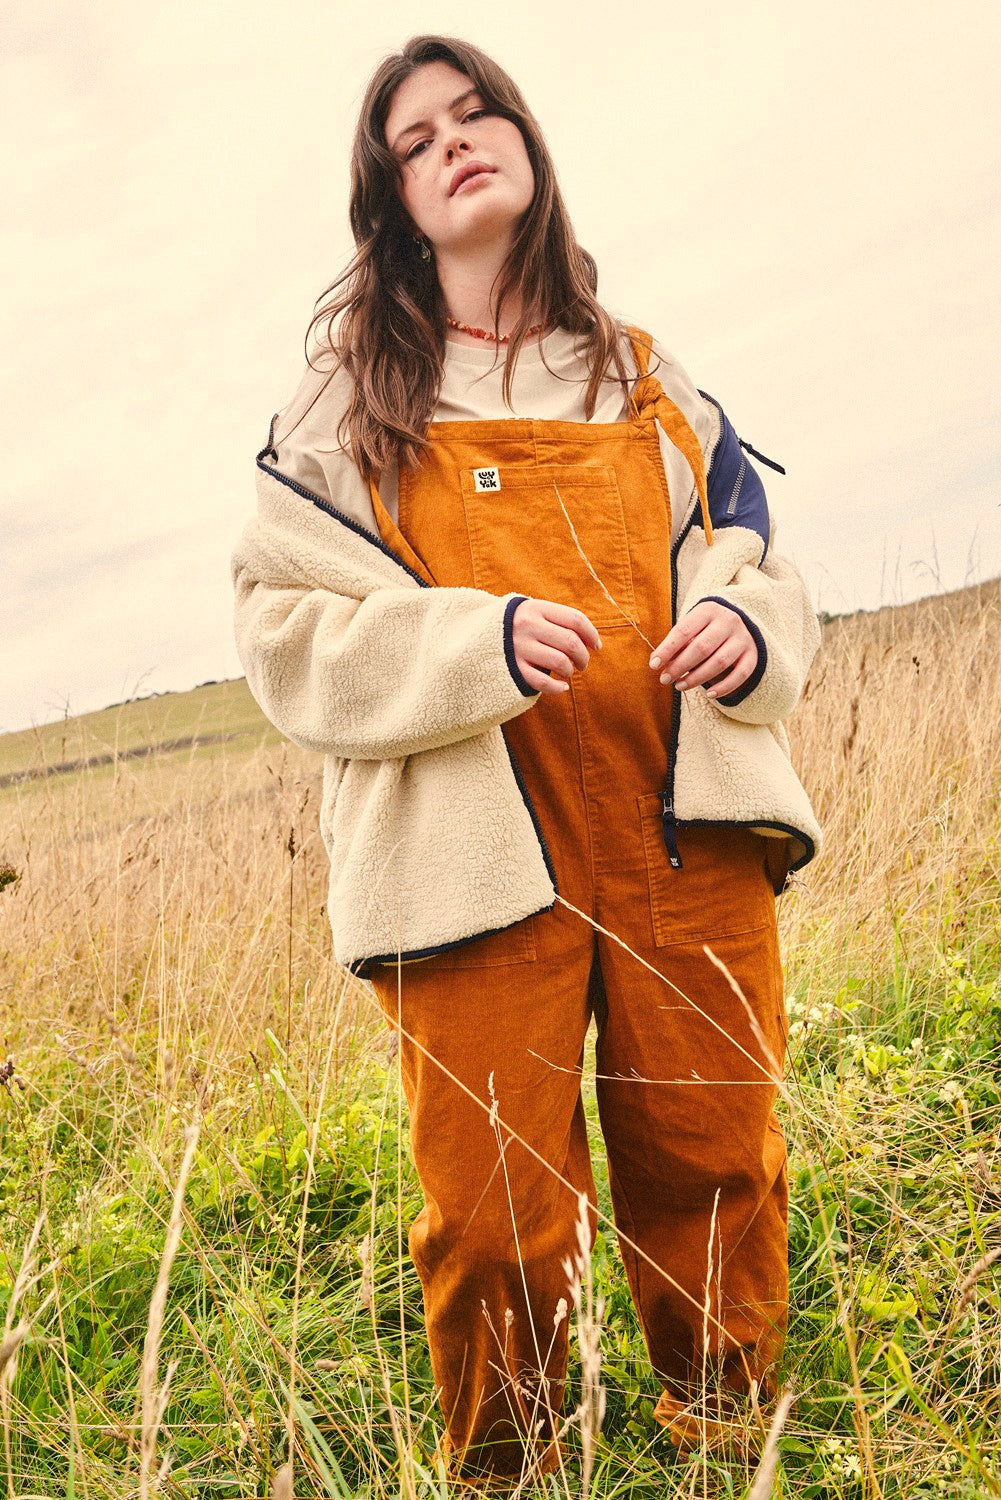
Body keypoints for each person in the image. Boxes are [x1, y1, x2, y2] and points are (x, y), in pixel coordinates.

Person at [232, 33, 822, 1487]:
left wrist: (749, 632)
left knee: (713, 1159)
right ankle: (515, 1469)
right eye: (415, 138)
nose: (454, 142)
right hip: (472, 857)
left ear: (526, 140)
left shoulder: (643, 374)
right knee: (491, 1213)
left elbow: (756, 561)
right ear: (390, 199)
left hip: (679, 827)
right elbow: (277, 629)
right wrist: (468, 644)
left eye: (474, 112)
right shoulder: (342, 409)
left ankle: (721, 1439)